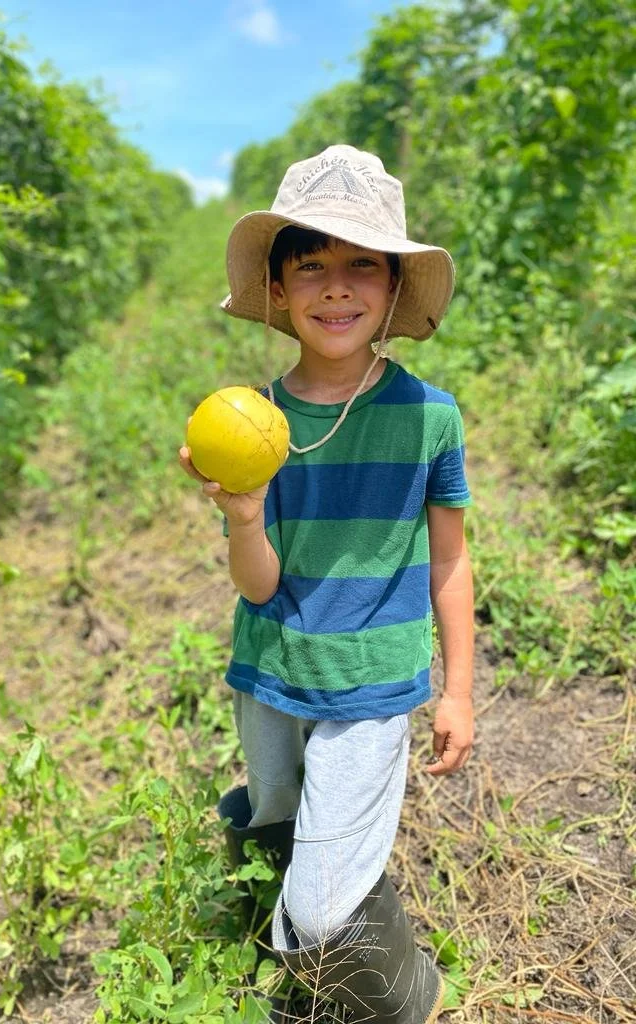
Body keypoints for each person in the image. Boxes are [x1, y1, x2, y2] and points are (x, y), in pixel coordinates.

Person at [179, 145, 474, 1024]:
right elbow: (259, 587)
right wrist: (244, 516)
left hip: (371, 687)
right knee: (277, 821)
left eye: (362, 266)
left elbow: (450, 561)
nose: (336, 288)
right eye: (311, 265)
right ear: (277, 289)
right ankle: (283, 939)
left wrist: (459, 690)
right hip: (272, 675)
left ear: (394, 286)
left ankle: (405, 991)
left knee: (316, 909)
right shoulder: (256, 423)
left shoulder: (429, 418)